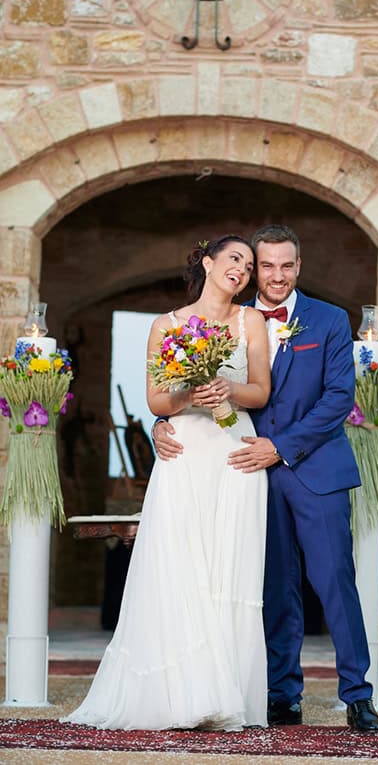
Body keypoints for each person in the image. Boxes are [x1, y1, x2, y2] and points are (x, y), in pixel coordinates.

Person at [154, 225, 378, 733]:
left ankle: (358, 695)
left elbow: (338, 399)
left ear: (299, 267)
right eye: (267, 266)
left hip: (313, 469)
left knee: (335, 584)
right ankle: (283, 695)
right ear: (255, 268)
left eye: (286, 265)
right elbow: (186, 387)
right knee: (273, 590)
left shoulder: (328, 320)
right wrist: (161, 422)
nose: (276, 275)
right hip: (247, 476)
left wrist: (281, 447)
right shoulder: (235, 319)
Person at [64, 236, 271, 731]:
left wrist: (227, 389)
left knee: (230, 565)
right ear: (208, 263)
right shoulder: (167, 325)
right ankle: (179, 695)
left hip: (235, 451)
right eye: (233, 259)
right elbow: (157, 401)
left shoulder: (252, 322)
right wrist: (188, 390)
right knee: (180, 565)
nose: (241, 270)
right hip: (184, 453)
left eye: (248, 265)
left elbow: (260, 391)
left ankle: (228, 696)